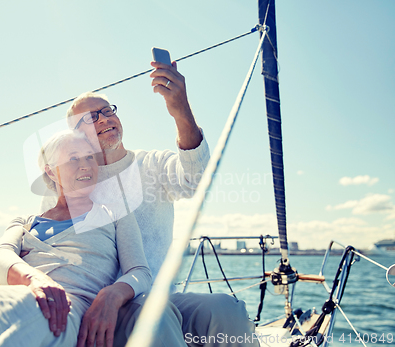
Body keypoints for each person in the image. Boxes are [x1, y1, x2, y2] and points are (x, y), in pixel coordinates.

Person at [32, 61, 259, 347]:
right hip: (99, 306)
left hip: (160, 297)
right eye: (91, 118)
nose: (104, 119)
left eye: (107, 110)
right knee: (153, 317)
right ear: (75, 135)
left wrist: (180, 109)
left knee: (229, 310)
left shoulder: (152, 164)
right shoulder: (66, 185)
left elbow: (195, 178)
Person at [0, 131, 166, 347]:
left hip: (62, 311)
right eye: (74, 158)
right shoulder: (25, 221)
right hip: (17, 293)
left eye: (89, 158)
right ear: (51, 171)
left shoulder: (115, 215)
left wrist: (112, 294)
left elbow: (139, 271)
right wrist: (33, 277)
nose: (86, 166)